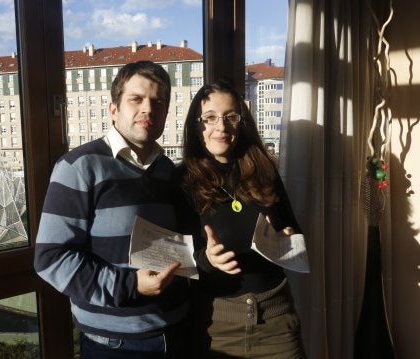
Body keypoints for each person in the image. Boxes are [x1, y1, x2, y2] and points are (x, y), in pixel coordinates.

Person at [34, 60, 189, 359]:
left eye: (158, 102)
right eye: (136, 99)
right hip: (116, 345)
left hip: (178, 331)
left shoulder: (168, 170)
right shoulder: (79, 167)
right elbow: (50, 259)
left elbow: (172, 246)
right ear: (113, 109)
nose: (149, 109)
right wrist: (131, 285)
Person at [177, 80, 306, 358]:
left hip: (276, 323)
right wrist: (206, 260)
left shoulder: (264, 170)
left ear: (241, 122)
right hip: (215, 328)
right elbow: (172, 258)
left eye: (230, 117)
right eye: (210, 118)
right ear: (195, 125)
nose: (221, 127)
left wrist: (285, 240)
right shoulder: (181, 181)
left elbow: (294, 230)